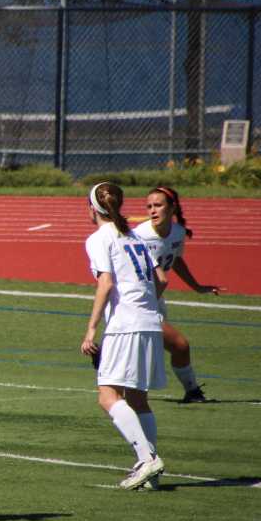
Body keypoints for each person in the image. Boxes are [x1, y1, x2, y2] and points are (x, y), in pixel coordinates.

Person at [80, 182, 167, 491]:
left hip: (125, 325)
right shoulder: (136, 236)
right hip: (149, 322)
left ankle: (146, 459)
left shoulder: (99, 238)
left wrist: (91, 328)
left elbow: (105, 282)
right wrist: (146, 305)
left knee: (107, 396)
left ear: (92, 208)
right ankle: (151, 473)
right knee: (138, 397)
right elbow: (161, 279)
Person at [134, 186, 220, 403]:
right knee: (179, 345)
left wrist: (197, 286)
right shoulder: (140, 235)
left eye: (158, 205)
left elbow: (175, 259)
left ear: (172, 208)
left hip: (155, 299)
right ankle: (192, 392)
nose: (152, 210)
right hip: (138, 302)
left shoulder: (178, 232)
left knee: (162, 349)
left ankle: (190, 392)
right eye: (149, 206)